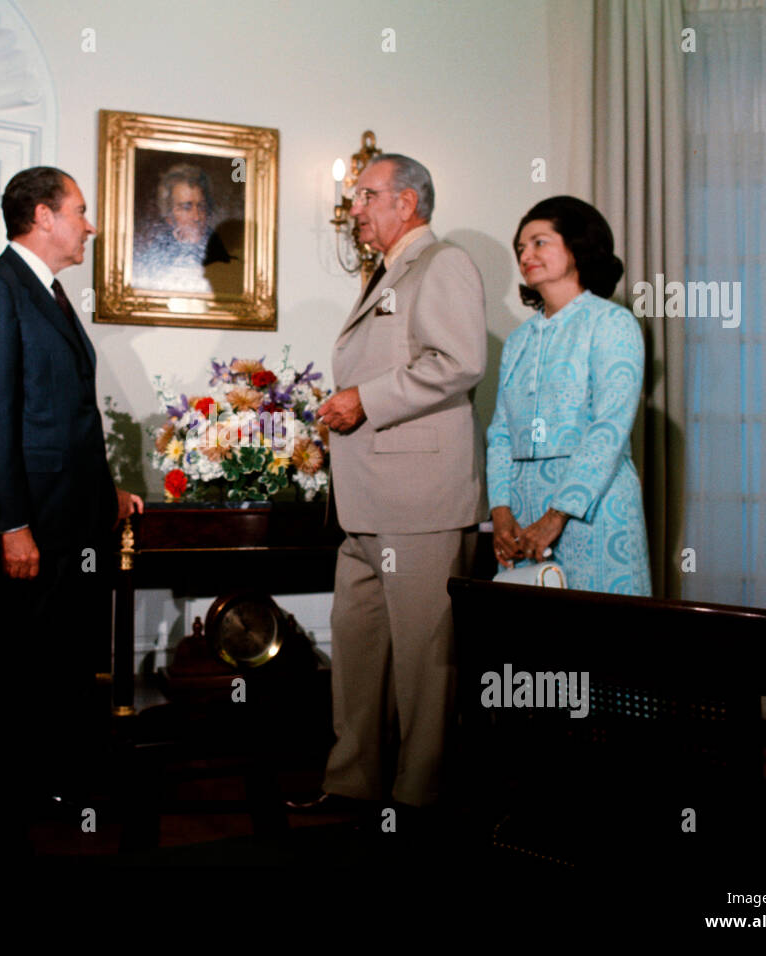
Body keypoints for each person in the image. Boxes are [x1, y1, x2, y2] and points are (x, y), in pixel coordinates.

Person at [0, 167, 143, 828]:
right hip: (31, 527)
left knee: (63, 665)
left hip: (75, 521)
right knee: (20, 672)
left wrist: (108, 492)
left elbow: (66, 417)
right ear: (42, 216)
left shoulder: (51, 294)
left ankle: (63, 789)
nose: (89, 225)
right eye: (80, 211)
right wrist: (10, 525)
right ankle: (9, 810)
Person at [309, 153, 487, 813]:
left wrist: (364, 400)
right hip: (364, 504)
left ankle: (420, 800)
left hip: (420, 504)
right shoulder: (382, 273)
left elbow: (459, 360)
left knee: (424, 669)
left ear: (406, 202)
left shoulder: (443, 264)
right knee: (358, 654)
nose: (353, 208)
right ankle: (352, 785)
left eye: (365, 195)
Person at [487, 195, 651, 595]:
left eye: (539, 242)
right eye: (521, 247)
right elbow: (500, 433)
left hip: (593, 508)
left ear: (577, 246)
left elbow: (608, 429)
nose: (526, 254)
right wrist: (501, 513)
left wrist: (556, 516)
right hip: (522, 512)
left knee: (601, 640)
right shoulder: (518, 341)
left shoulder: (613, 323)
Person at [133, 162, 239, 294]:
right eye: (186, 207)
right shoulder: (156, 252)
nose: (196, 217)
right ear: (169, 215)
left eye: (201, 207)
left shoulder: (218, 248)